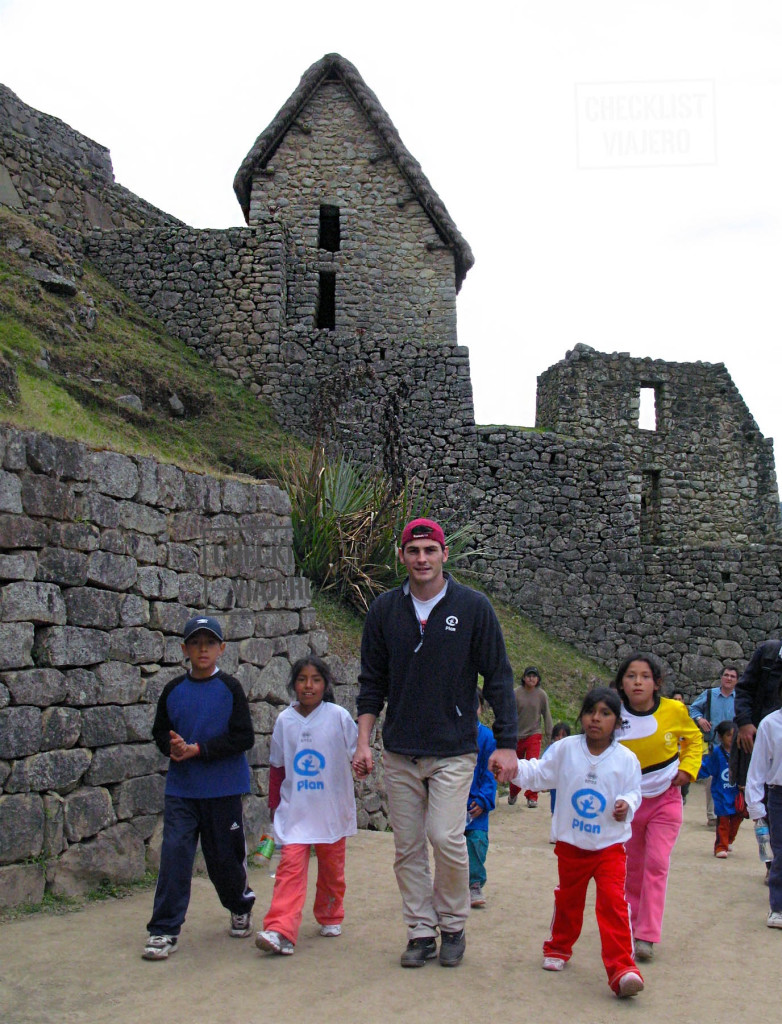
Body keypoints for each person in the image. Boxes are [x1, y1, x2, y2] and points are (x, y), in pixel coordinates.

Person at [353, 517, 518, 969]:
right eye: (413, 551)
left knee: (444, 836)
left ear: (445, 554)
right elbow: (372, 684)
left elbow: (499, 675)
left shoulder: (472, 607)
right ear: (402, 556)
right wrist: (364, 741)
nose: (422, 559)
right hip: (402, 749)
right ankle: (421, 931)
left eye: (430, 550)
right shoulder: (385, 611)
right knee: (406, 846)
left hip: (454, 748)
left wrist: (506, 743)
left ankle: (453, 924)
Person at [512, 687, 644, 998]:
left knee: (612, 903)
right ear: (581, 716)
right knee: (569, 899)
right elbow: (539, 773)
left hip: (610, 847)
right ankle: (558, 947)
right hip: (571, 846)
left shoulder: (626, 759)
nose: (596, 719)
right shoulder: (565, 749)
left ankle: (622, 969)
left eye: (605, 713)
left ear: (617, 721)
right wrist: (512, 769)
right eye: (590, 711)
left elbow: (633, 790)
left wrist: (626, 803)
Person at [143, 616, 255, 960]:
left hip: (222, 790)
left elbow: (243, 737)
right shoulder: (174, 690)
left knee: (223, 859)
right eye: (195, 643)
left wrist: (200, 750)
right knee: (175, 855)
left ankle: (239, 904)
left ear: (221, 648)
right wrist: (173, 746)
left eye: (209, 643)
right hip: (182, 791)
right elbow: (160, 731)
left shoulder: (231, 688)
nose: (202, 649)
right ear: (184, 649)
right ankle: (163, 930)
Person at [256, 657, 358, 956]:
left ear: (325, 684)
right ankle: (280, 929)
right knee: (289, 867)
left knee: (332, 868)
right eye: (302, 679)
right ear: (293, 684)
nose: (308, 685)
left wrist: (362, 764)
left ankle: (330, 913)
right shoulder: (285, 720)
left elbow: (357, 753)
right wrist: (275, 805)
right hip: (295, 810)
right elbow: (277, 767)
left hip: (331, 809)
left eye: (315, 679)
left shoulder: (338, 716)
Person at [612, 653, 701, 962]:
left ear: (656, 683)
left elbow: (694, 740)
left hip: (666, 800)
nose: (638, 682)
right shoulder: (613, 713)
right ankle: (632, 925)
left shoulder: (674, 711)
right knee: (633, 868)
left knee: (657, 863)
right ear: (621, 682)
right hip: (630, 804)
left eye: (645, 676)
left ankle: (647, 935)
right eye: (631, 676)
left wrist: (688, 769)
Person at [745, 692, 782, 928]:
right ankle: (777, 907)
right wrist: (756, 806)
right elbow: (758, 767)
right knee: (780, 852)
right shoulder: (771, 723)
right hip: (779, 794)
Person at [688, 666, 738, 825]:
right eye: (726, 675)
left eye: (732, 676)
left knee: (732, 779)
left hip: (735, 747)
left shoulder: (740, 698)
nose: (729, 678)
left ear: (737, 680)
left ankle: (730, 812)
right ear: (721, 677)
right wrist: (700, 719)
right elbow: (693, 708)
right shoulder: (709, 695)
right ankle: (713, 816)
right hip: (714, 745)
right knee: (712, 779)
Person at [465, 694, 497, 908]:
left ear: (481, 709)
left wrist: (484, 799)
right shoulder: (448, 734)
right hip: (451, 800)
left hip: (477, 805)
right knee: (448, 844)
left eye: (474, 705)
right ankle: (450, 886)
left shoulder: (487, 738)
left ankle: (474, 884)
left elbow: (491, 773)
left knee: (477, 841)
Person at [507, 667, 553, 808]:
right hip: (517, 735)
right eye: (529, 676)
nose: (531, 678)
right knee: (516, 767)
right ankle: (513, 792)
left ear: (538, 679)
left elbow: (547, 715)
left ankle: (532, 797)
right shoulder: (515, 693)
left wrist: (550, 735)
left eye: (534, 676)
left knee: (534, 765)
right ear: (524, 677)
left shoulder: (541, 695)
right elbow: (509, 714)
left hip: (534, 734)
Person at [698, 721, 743, 858]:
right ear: (720, 737)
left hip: (736, 793)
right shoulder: (716, 753)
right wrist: (692, 773)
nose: (732, 739)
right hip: (721, 792)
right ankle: (720, 847)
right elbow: (707, 767)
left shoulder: (742, 751)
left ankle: (729, 840)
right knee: (723, 821)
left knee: (737, 819)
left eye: (734, 736)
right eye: (728, 735)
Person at [547, 722, 572, 814]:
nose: (560, 738)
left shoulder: (572, 751)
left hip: (568, 783)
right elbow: (544, 766)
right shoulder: (550, 750)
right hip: (555, 785)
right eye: (557, 735)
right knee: (555, 807)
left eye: (564, 736)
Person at [670, 692, 691, 804]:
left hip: (683, 755)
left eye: (680, 699)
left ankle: (683, 796)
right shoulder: (665, 718)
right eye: (675, 699)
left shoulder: (688, 719)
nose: (678, 701)